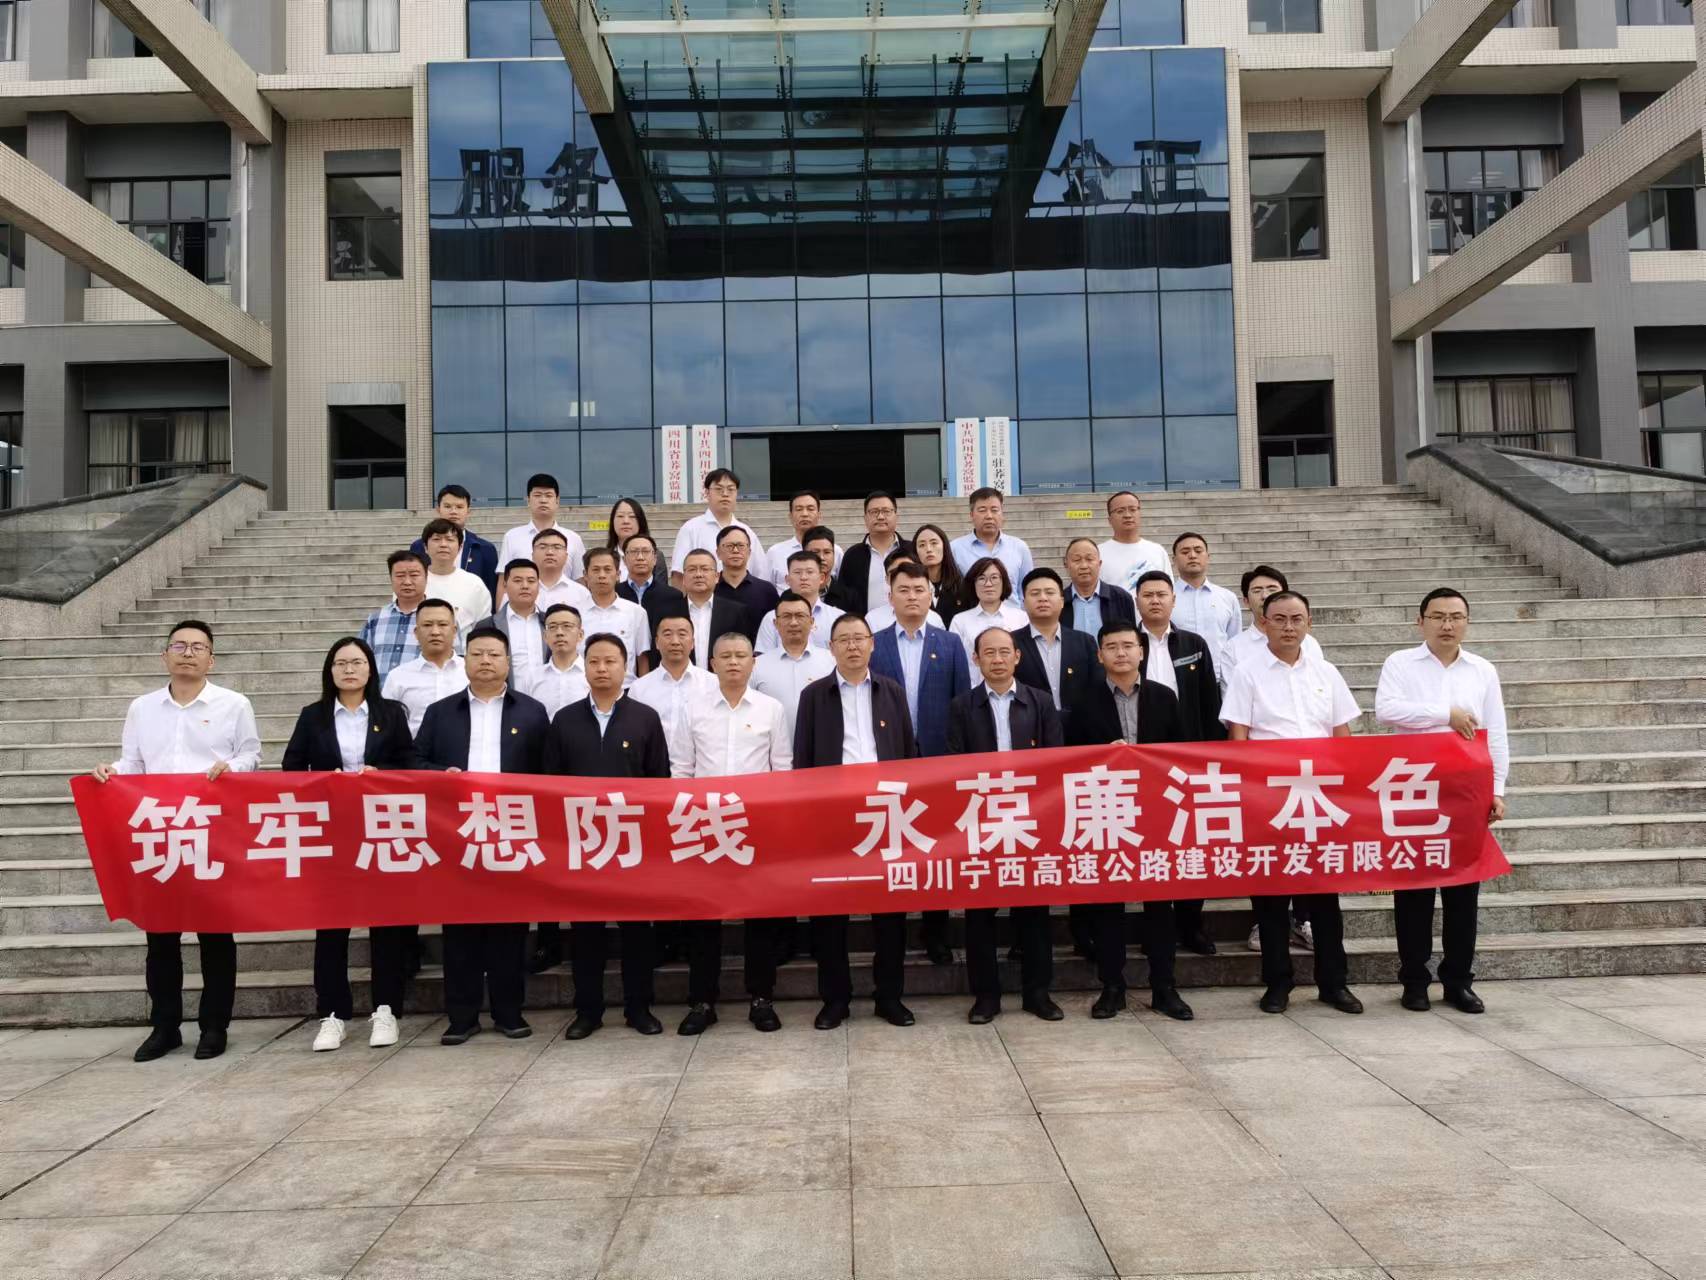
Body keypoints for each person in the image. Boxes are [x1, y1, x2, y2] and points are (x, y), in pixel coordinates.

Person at [93, 621, 261, 1063]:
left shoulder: (234, 704)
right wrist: (111, 770)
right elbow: (133, 761)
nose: (188, 653)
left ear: (212, 659)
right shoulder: (143, 707)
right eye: (179, 645)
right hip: (160, 830)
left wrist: (232, 768)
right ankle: (164, 1027)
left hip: (211, 829)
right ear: (165, 655)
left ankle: (214, 1026)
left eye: (198, 647)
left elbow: (251, 754)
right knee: (161, 937)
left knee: (215, 935)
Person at [1222, 590, 1364, 1017]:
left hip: (1319, 796)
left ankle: (1333, 983)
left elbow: (1342, 735)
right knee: (1270, 895)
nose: (1288, 627)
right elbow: (1238, 737)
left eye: (1296, 619)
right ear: (1264, 623)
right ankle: (1277, 983)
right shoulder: (1247, 673)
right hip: (1270, 796)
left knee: (1324, 897)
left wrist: (1347, 789)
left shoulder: (1326, 671)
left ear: (1309, 623)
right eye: (1279, 619)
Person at [1375, 587, 1508, 1015]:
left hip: (1465, 791)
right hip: (1414, 790)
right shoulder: (1400, 663)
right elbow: (1386, 709)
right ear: (1421, 622)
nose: (1447, 625)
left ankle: (1458, 981)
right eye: (1437, 617)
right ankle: (1414, 980)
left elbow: (1496, 732)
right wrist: (1445, 714)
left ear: (1467, 622)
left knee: (1462, 894)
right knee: (1413, 892)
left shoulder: (1482, 670)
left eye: (1455, 617)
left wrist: (1498, 788)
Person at [282, 637, 419, 1053]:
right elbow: (292, 768)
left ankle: (386, 1009)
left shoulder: (391, 713)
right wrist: (326, 781)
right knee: (331, 925)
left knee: (386, 924)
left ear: (370, 669)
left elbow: (410, 764)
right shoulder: (313, 715)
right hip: (332, 831)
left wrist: (381, 774)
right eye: (340, 663)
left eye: (357, 662)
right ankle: (332, 1014)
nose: (349, 669)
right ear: (330, 671)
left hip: (381, 830)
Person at [414, 626, 550, 1043]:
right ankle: (462, 1016)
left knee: (510, 928)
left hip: (512, 830)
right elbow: (415, 763)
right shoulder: (440, 712)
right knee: (460, 928)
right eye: (477, 654)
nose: (485, 661)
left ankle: (509, 1013)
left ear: (508, 662)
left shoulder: (532, 712)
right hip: (458, 832)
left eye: (493, 654)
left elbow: (548, 772)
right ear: (465, 660)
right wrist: (442, 775)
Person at [795, 614, 920, 1030]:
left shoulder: (892, 691)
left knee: (890, 911)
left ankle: (889, 997)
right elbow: (804, 759)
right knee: (830, 910)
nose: (852, 646)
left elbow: (908, 751)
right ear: (830, 648)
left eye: (859, 638)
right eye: (844, 640)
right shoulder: (814, 695)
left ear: (872, 644)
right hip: (833, 811)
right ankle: (836, 999)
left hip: (886, 810)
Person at [1066, 621, 1194, 1022]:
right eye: (1112, 647)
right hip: (1106, 811)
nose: (1121, 653)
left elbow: (1181, 753)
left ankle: (1164, 987)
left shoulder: (1164, 697)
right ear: (1099, 655)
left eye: (1127, 646)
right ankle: (1112, 987)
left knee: (1159, 904)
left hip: (1156, 811)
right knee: (1108, 904)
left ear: (1142, 651)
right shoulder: (1083, 701)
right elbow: (1069, 759)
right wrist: (1104, 755)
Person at [667, 631, 793, 1035]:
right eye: (726, 656)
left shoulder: (771, 709)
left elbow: (782, 769)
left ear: (753, 662)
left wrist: (774, 823)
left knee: (760, 917)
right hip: (705, 825)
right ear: (713, 663)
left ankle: (762, 998)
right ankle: (702, 1001)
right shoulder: (694, 708)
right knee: (704, 918)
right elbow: (681, 769)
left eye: (741, 655)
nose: (734, 662)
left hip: (756, 826)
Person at [545, 634, 670, 1040]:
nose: (602, 668)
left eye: (610, 661)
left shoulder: (645, 718)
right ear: (584, 667)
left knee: (637, 933)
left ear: (625, 667)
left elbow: (659, 780)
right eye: (594, 661)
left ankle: (639, 1008)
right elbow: (550, 783)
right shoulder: (564, 719)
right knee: (586, 934)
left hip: (632, 842)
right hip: (582, 844)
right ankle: (588, 1011)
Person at [949, 626, 1065, 1024]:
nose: (997, 659)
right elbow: (953, 764)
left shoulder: (1040, 702)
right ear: (976, 659)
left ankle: (1038, 993)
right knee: (979, 915)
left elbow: (1055, 761)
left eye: (1004, 652)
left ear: (1017, 656)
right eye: (988, 653)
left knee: (1033, 912)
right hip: (980, 819)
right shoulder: (961, 706)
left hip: (1030, 818)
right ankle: (986, 997)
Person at [871, 561, 971, 968]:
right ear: (890, 596)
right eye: (904, 590)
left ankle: (936, 933)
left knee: (936, 851)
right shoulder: (874, 643)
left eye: (919, 589)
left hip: (938, 763)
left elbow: (962, 703)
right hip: (888, 763)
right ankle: (889, 935)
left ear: (931, 595)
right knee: (889, 850)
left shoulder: (950, 643)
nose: (912, 596)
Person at [1133, 569, 1227, 957]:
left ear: (1173, 600)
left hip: (1188, 758)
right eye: (1148, 595)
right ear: (1137, 601)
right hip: (1140, 760)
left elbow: (1209, 703)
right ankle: (1157, 926)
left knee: (1191, 843)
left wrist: (1212, 756)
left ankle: (1191, 924)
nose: (1155, 601)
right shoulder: (1126, 642)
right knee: (1151, 844)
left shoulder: (1193, 644)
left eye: (1162, 595)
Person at [1012, 567, 1099, 728]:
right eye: (1035, 593)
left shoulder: (1085, 642)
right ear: (1024, 603)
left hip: (1081, 729)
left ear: (1062, 601)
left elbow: (1097, 687)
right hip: (1031, 729)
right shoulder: (1011, 643)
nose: (1043, 598)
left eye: (1049, 592)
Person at [630, 612, 719, 743]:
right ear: (657, 642)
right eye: (667, 635)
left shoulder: (713, 684)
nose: (675, 642)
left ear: (692, 643)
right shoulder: (639, 688)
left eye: (682, 634)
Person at [381, 600, 468, 734]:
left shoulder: (471, 672)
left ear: (454, 631)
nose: (435, 632)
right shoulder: (398, 677)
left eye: (442, 624)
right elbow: (386, 725)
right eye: (427, 625)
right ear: (416, 632)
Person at [752, 591, 836, 727]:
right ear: (775, 623)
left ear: (812, 621)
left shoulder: (832, 661)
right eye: (786, 616)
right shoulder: (757, 665)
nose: (793, 622)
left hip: (820, 739)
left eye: (800, 616)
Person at [1222, 565, 1322, 679]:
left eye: (1272, 589)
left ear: (1286, 597)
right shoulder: (1233, 648)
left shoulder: (1309, 643)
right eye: (1257, 591)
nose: (1265, 596)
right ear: (1246, 602)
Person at [1170, 532, 1242, 683]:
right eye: (1185, 552)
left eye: (1198, 550)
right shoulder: (1166, 597)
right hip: (1176, 678)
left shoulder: (1227, 597)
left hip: (1219, 679)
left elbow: (1235, 642)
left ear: (1208, 557)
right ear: (1174, 560)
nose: (1192, 555)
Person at [670, 467, 763, 583]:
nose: (725, 494)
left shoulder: (747, 532)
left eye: (730, 489)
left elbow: (761, 574)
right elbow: (678, 575)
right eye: (719, 489)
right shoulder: (690, 529)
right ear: (707, 493)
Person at [498, 472, 586, 594]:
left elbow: (580, 580)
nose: (543, 500)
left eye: (548, 495)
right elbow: (503, 582)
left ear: (557, 501)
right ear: (528, 500)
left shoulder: (574, 539)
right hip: (524, 604)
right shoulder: (512, 537)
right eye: (537, 495)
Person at [410, 483, 498, 601]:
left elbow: (491, 591)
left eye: (459, 507)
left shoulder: (485, 548)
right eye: (447, 506)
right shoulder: (419, 546)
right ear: (438, 509)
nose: (453, 511)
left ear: (468, 511)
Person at [949, 557, 1028, 681]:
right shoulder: (960, 621)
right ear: (973, 584)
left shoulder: (1021, 618)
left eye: (994, 578)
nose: (988, 584)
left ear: (1004, 582)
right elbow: (954, 663)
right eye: (981, 578)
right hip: (973, 690)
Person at [579, 547, 650, 685]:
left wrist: (643, 690)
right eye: (595, 570)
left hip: (626, 688)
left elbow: (642, 657)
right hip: (584, 689)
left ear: (618, 575)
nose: (602, 575)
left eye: (607, 569)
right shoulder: (574, 613)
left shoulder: (636, 612)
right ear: (585, 575)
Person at [360, 550, 432, 683]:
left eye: (414, 575)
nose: (407, 582)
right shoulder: (376, 619)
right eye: (400, 576)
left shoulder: (440, 618)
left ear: (426, 577)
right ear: (391, 578)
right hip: (380, 694)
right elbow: (360, 659)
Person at [951, 488, 1032, 603]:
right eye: (982, 510)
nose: (989, 516)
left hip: (1012, 613)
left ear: (1002, 514)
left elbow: (1026, 590)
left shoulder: (1019, 547)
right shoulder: (955, 548)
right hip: (973, 613)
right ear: (971, 515)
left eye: (994, 510)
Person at [837, 491, 909, 615]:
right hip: (864, 625)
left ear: (896, 516)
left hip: (907, 623)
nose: (880, 517)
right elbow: (844, 597)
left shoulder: (911, 551)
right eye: (874, 512)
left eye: (886, 511)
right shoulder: (853, 555)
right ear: (865, 518)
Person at [756, 550, 843, 652]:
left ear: (821, 578)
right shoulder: (772, 618)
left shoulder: (837, 618)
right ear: (787, 579)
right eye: (797, 572)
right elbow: (764, 658)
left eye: (809, 572)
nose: (803, 577)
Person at [680, 549, 757, 664]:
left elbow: (744, 653)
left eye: (705, 569)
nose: (698, 575)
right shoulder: (669, 611)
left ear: (717, 576)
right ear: (683, 578)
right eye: (692, 569)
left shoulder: (736, 612)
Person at [420, 517, 493, 634]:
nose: (443, 544)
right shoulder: (414, 582)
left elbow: (483, 627)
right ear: (425, 547)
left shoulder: (474, 584)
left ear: (460, 547)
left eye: (449, 539)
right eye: (436, 539)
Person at [491, 559, 549, 693]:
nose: (525, 586)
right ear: (505, 585)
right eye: (517, 581)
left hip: (547, 699)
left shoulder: (550, 623)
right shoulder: (490, 625)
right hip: (507, 700)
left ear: (538, 585)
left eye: (531, 581)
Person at [1064, 537, 1137, 639]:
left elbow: (1131, 638)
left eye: (1089, 559)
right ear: (1066, 565)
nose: (1084, 566)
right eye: (1077, 560)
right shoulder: (1058, 601)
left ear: (1099, 564)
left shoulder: (1121, 598)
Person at [767, 490, 843, 588]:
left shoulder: (835, 551)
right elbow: (766, 589)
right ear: (790, 516)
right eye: (799, 509)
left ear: (819, 515)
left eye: (810, 509)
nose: (805, 514)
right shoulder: (775, 552)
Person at [1097, 490, 1168, 594]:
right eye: (1120, 511)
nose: (1127, 515)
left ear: (1140, 514)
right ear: (1110, 520)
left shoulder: (1157, 551)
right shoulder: (1097, 553)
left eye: (1133, 509)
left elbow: (1168, 591)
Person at [618, 532, 687, 638]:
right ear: (624, 560)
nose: (640, 557)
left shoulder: (673, 596)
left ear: (655, 559)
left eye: (645, 551)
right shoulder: (615, 594)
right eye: (634, 552)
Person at [530, 605, 590, 720]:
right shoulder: (533, 677)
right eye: (552, 627)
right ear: (545, 636)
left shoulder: (591, 674)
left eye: (567, 626)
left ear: (580, 635)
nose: (559, 633)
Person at [863, 551, 946, 634]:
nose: (902, 575)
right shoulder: (873, 619)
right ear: (887, 579)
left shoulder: (934, 619)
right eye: (895, 572)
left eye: (908, 569)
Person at [715, 525, 780, 620]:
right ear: (718, 553)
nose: (735, 550)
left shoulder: (767, 591)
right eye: (729, 546)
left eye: (741, 546)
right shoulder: (710, 590)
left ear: (749, 552)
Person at [911, 522, 967, 626]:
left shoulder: (962, 586)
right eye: (922, 545)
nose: (928, 549)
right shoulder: (911, 588)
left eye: (934, 543)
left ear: (944, 546)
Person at [531, 528, 596, 615]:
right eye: (542, 547)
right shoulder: (521, 590)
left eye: (557, 547)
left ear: (566, 556)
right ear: (532, 555)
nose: (549, 552)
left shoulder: (581, 593)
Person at [605, 497, 652, 579]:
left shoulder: (654, 556)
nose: (626, 521)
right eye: (620, 516)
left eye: (632, 516)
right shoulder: (604, 557)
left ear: (641, 521)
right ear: (612, 522)